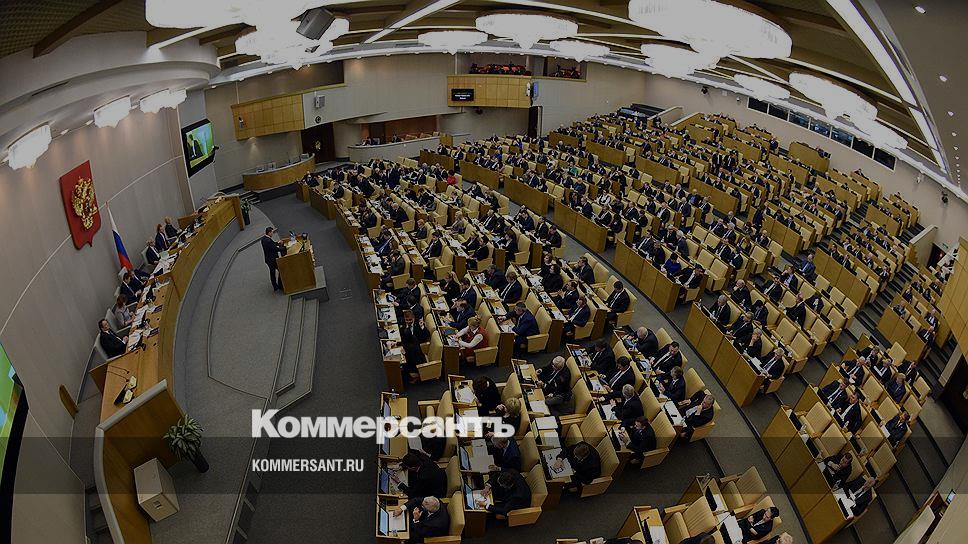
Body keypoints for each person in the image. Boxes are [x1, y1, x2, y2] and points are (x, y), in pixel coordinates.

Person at [399, 310, 430, 382]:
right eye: (406, 320)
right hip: (410, 349)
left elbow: (427, 335)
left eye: (410, 320)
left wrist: (422, 327)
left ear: (413, 318)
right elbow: (403, 338)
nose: (408, 322)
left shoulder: (418, 324)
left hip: (417, 355)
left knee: (403, 366)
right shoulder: (402, 324)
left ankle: (414, 375)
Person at [261, 227, 287, 292]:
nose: (272, 234)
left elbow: (272, 244)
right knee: (281, 270)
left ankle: (275, 286)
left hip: (268, 259)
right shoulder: (268, 241)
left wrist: (278, 243)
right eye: (272, 232)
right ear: (269, 232)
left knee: (272, 273)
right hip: (272, 260)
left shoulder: (264, 239)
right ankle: (280, 286)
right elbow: (275, 249)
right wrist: (285, 248)